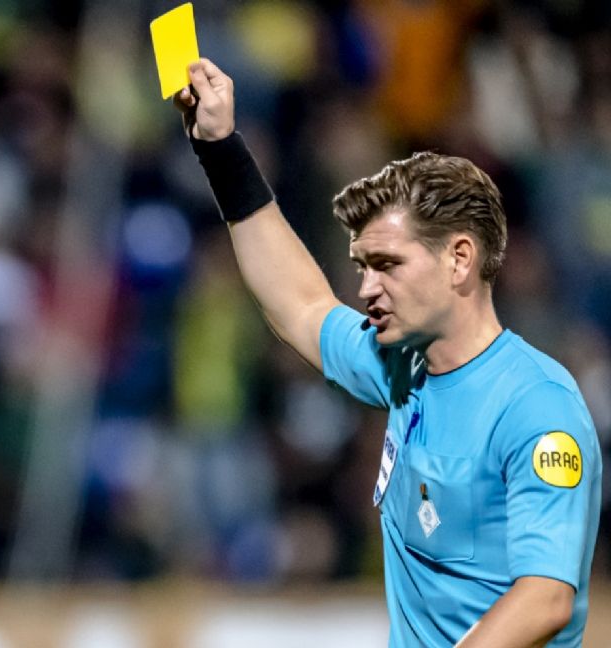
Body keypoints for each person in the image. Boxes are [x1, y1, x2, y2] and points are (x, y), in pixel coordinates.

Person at [172, 59, 600, 647]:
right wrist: (220, 149)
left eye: (388, 265)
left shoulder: (536, 407)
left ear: (459, 260)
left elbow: (545, 598)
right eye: (364, 267)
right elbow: (301, 304)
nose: (368, 288)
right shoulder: (401, 367)